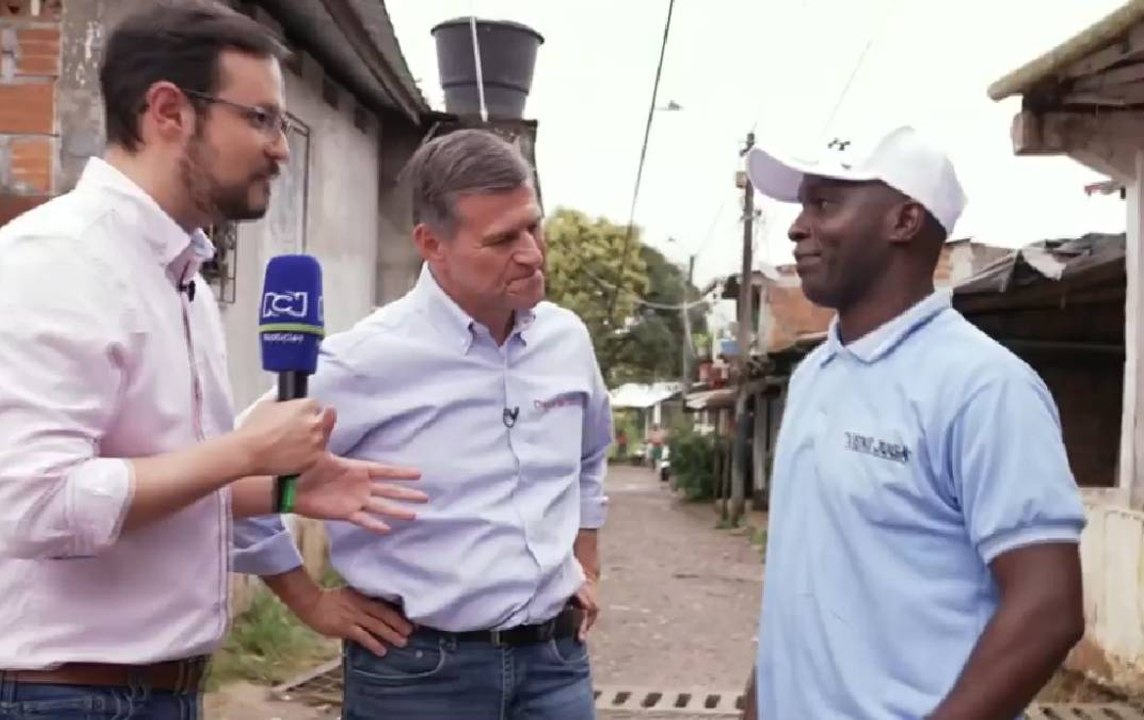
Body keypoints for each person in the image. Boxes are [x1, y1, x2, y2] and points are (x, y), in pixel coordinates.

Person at [0, 4, 425, 718]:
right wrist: (241, 453)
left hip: (160, 690)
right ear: (168, 110)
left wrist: (286, 493)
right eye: (259, 119)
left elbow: (155, 490)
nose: (281, 148)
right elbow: (33, 505)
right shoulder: (60, 262)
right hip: (65, 695)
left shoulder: (181, 273)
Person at [233, 128, 613, 720]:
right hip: (418, 677)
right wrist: (310, 603)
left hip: (555, 666)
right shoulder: (364, 362)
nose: (532, 253)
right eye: (502, 239)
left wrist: (584, 563)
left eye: (534, 226)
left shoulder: (568, 341)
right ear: (431, 243)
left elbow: (590, 459)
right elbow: (230, 475)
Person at [738, 126, 1086, 720]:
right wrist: (760, 695)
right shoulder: (815, 372)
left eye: (825, 204)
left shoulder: (984, 387)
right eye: (802, 207)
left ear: (903, 221)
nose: (797, 227)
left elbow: (1048, 607)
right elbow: (816, 573)